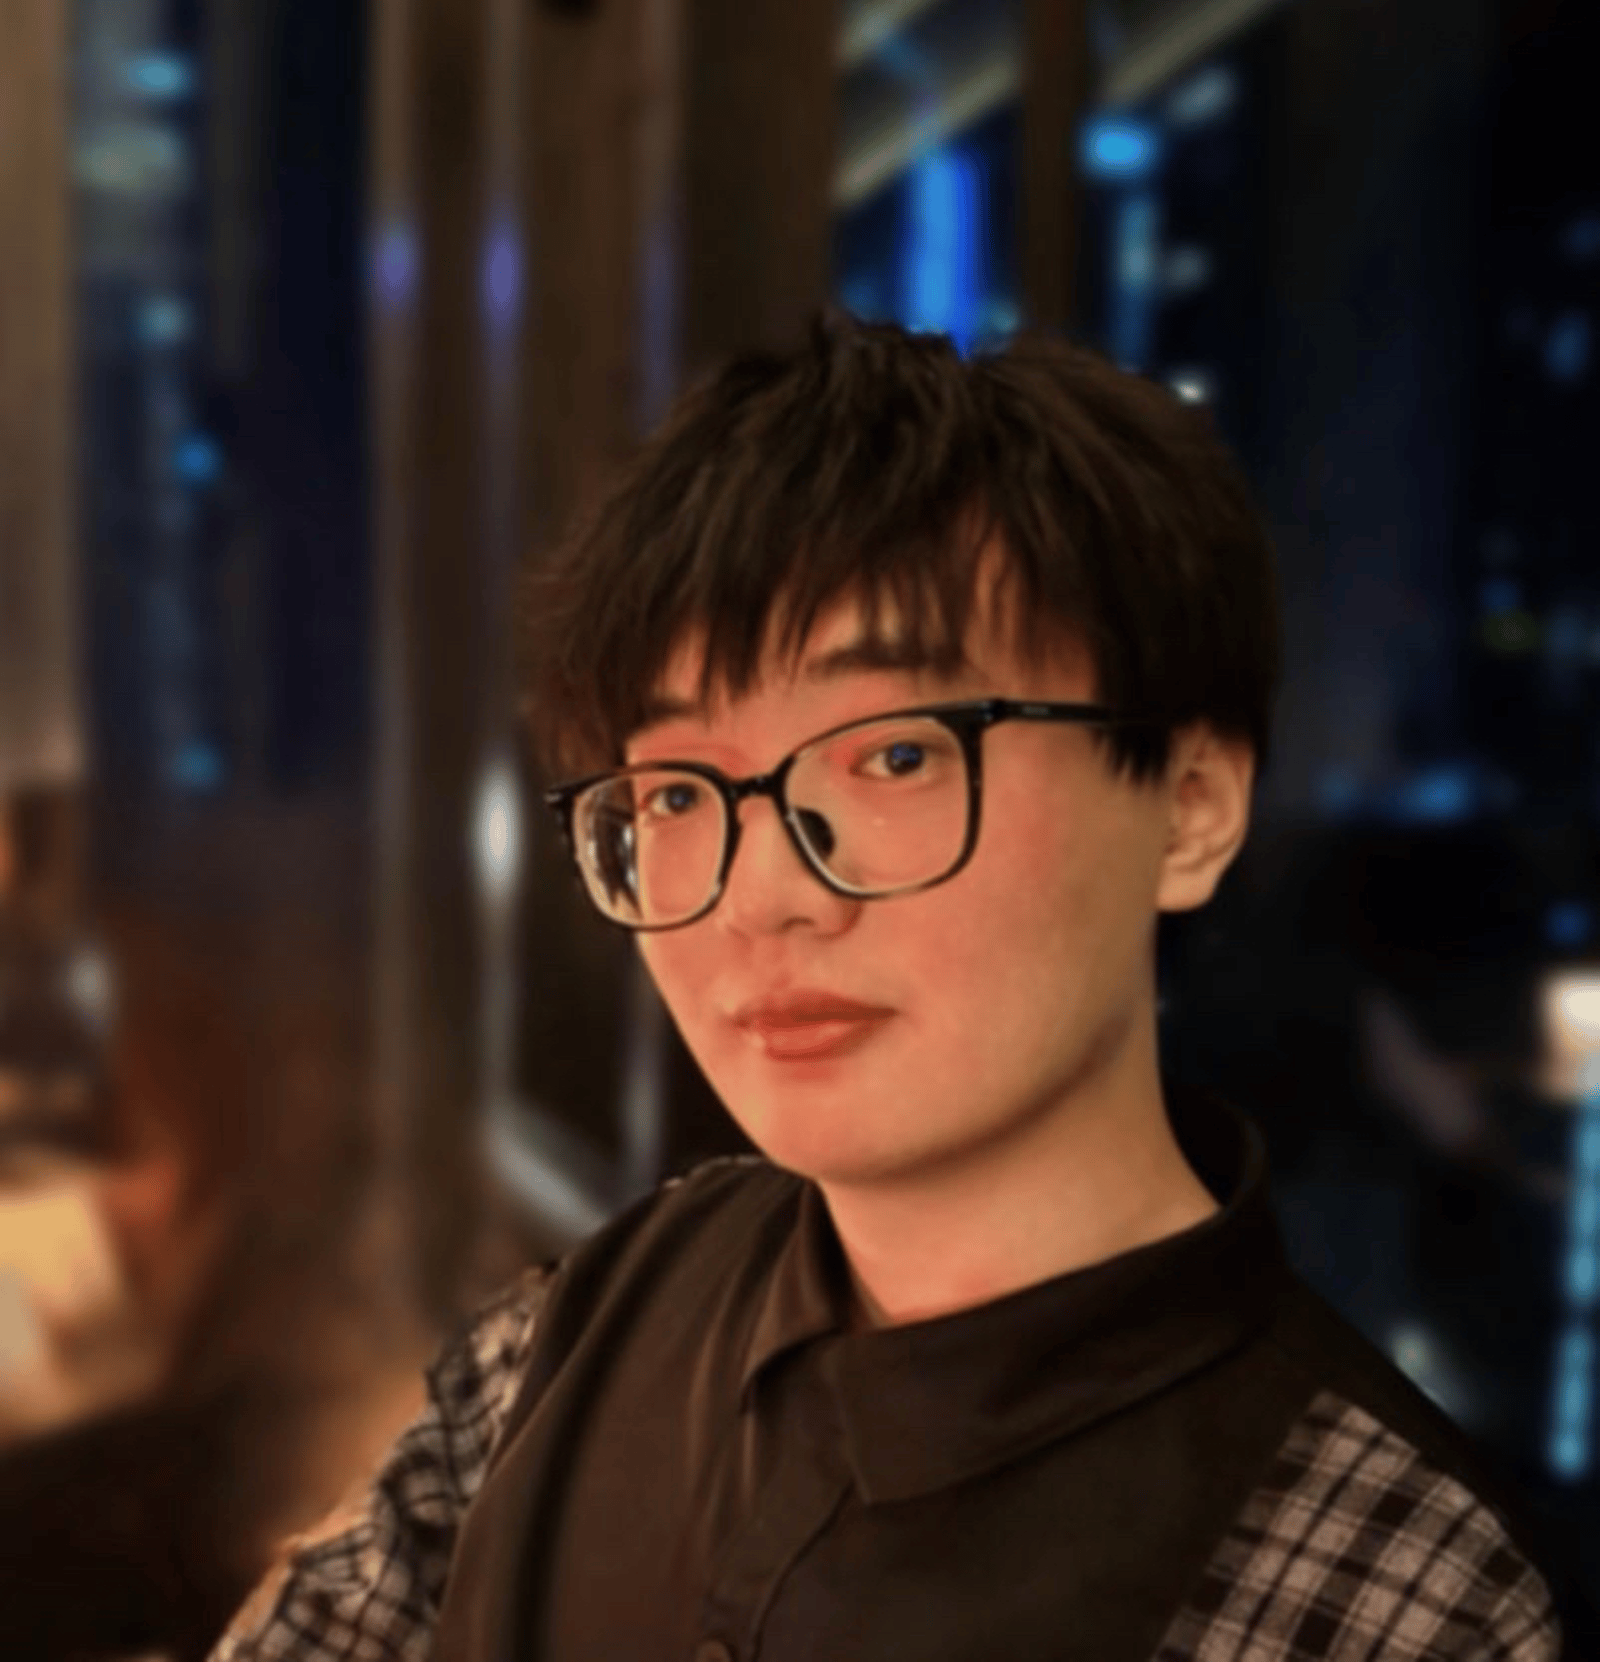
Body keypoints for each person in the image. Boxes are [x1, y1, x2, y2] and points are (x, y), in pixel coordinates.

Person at [211, 317, 1580, 1661]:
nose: (764, 893)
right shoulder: (592, 1316)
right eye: (677, 791)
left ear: (1189, 804)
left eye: (896, 756)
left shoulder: (1392, 1591)